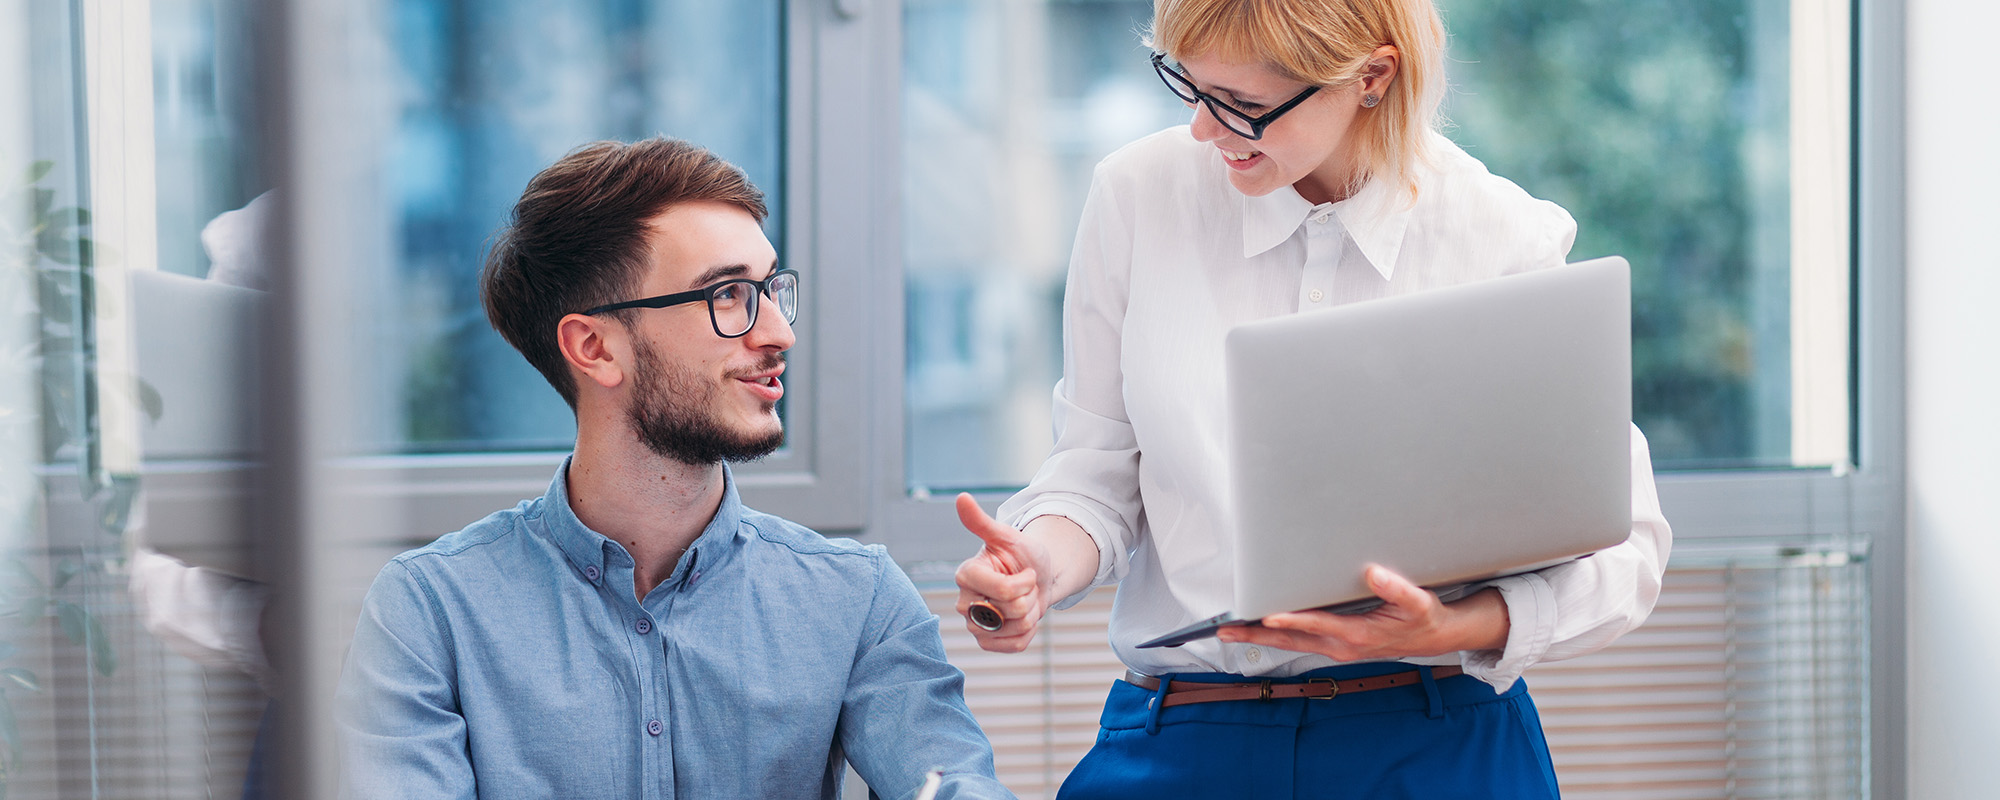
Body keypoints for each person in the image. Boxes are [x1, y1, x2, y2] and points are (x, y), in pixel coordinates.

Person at [950, 0, 1673, 797]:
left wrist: (1453, 627)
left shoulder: (1500, 237)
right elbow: (1095, 473)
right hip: (1184, 736)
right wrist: (1036, 567)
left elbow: (1627, 553)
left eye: (1245, 107)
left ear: (1372, 76)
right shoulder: (1136, 196)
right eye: (1189, 85)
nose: (1203, 128)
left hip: (1433, 737)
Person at [337, 138, 1012, 800]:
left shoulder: (857, 599)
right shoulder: (428, 614)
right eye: (726, 295)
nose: (778, 332)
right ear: (595, 347)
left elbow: (955, 784)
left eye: (770, 289)